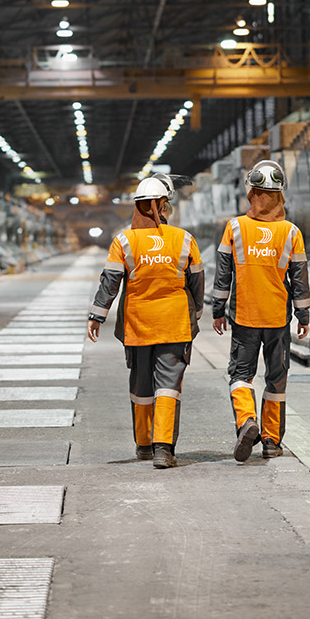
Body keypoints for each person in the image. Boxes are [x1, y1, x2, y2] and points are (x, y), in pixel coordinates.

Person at [86, 174, 204, 469]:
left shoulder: (124, 241)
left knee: (141, 384)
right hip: (175, 324)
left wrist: (97, 315)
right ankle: (164, 448)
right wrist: (197, 313)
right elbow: (196, 282)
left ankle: (143, 445)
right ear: (162, 206)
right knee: (168, 385)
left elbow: (110, 282)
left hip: (138, 325)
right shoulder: (184, 239)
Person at [212, 159, 310, 462]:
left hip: (244, 317)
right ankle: (271, 441)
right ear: (281, 195)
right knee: (276, 380)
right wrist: (303, 316)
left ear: (251, 193)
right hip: (277, 319)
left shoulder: (235, 228)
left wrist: (217, 309)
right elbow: (299, 278)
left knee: (241, 375)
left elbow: (223, 275)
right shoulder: (291, 232)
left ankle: (247, 421)